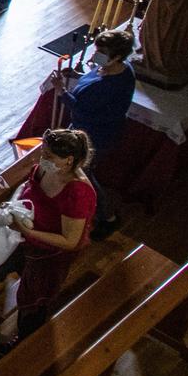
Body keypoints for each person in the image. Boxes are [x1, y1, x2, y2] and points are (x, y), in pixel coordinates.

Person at [0, 127, 96, 343]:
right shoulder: (46, 170)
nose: (42, 159)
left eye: (49, 156)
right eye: (43, 153)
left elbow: (70, 241)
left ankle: (24, 340)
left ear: (68, 160)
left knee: (33, 297)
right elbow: (28, 188)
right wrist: (13, 211)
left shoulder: (78, 193)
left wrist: (27, 231)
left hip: (49, 253)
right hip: (21, 235)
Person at [57, 28, 135, 232]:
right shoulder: (119, 68)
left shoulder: (108, 86)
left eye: (101, 53)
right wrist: (77, 75)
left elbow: (82, 110)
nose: (95, 56)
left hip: (95, 136)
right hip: (88, 129)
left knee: (83, 175)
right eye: (96, 50)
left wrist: (62, 92)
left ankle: (107, 217)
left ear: (117, 56)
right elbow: (91, 81)